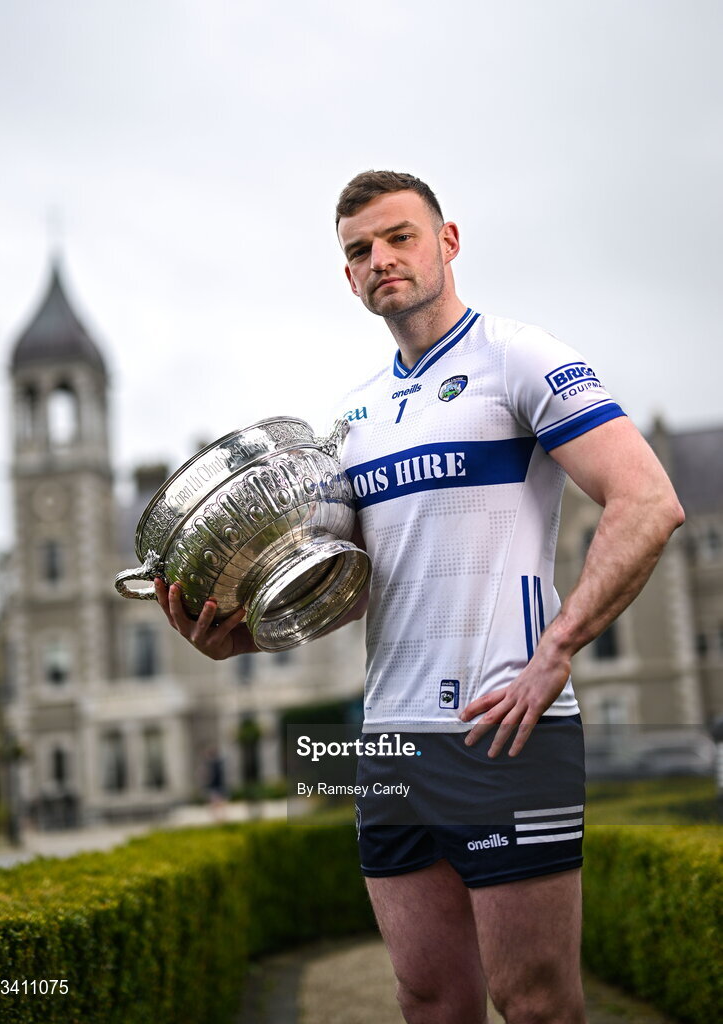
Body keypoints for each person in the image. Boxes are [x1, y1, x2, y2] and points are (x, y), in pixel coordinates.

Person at [155, 170, 685, 1024]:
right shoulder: (353, 415)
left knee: (535, 1001)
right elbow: (356, 585)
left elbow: (649, 501)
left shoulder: (518, 356)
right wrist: (242, 638)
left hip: (502, 731)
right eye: (359, 250)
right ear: (347, 276)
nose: (380, 259)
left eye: (399, 236)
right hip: (391, 744)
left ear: (447, 241)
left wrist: (555, 652)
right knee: (429, 999)